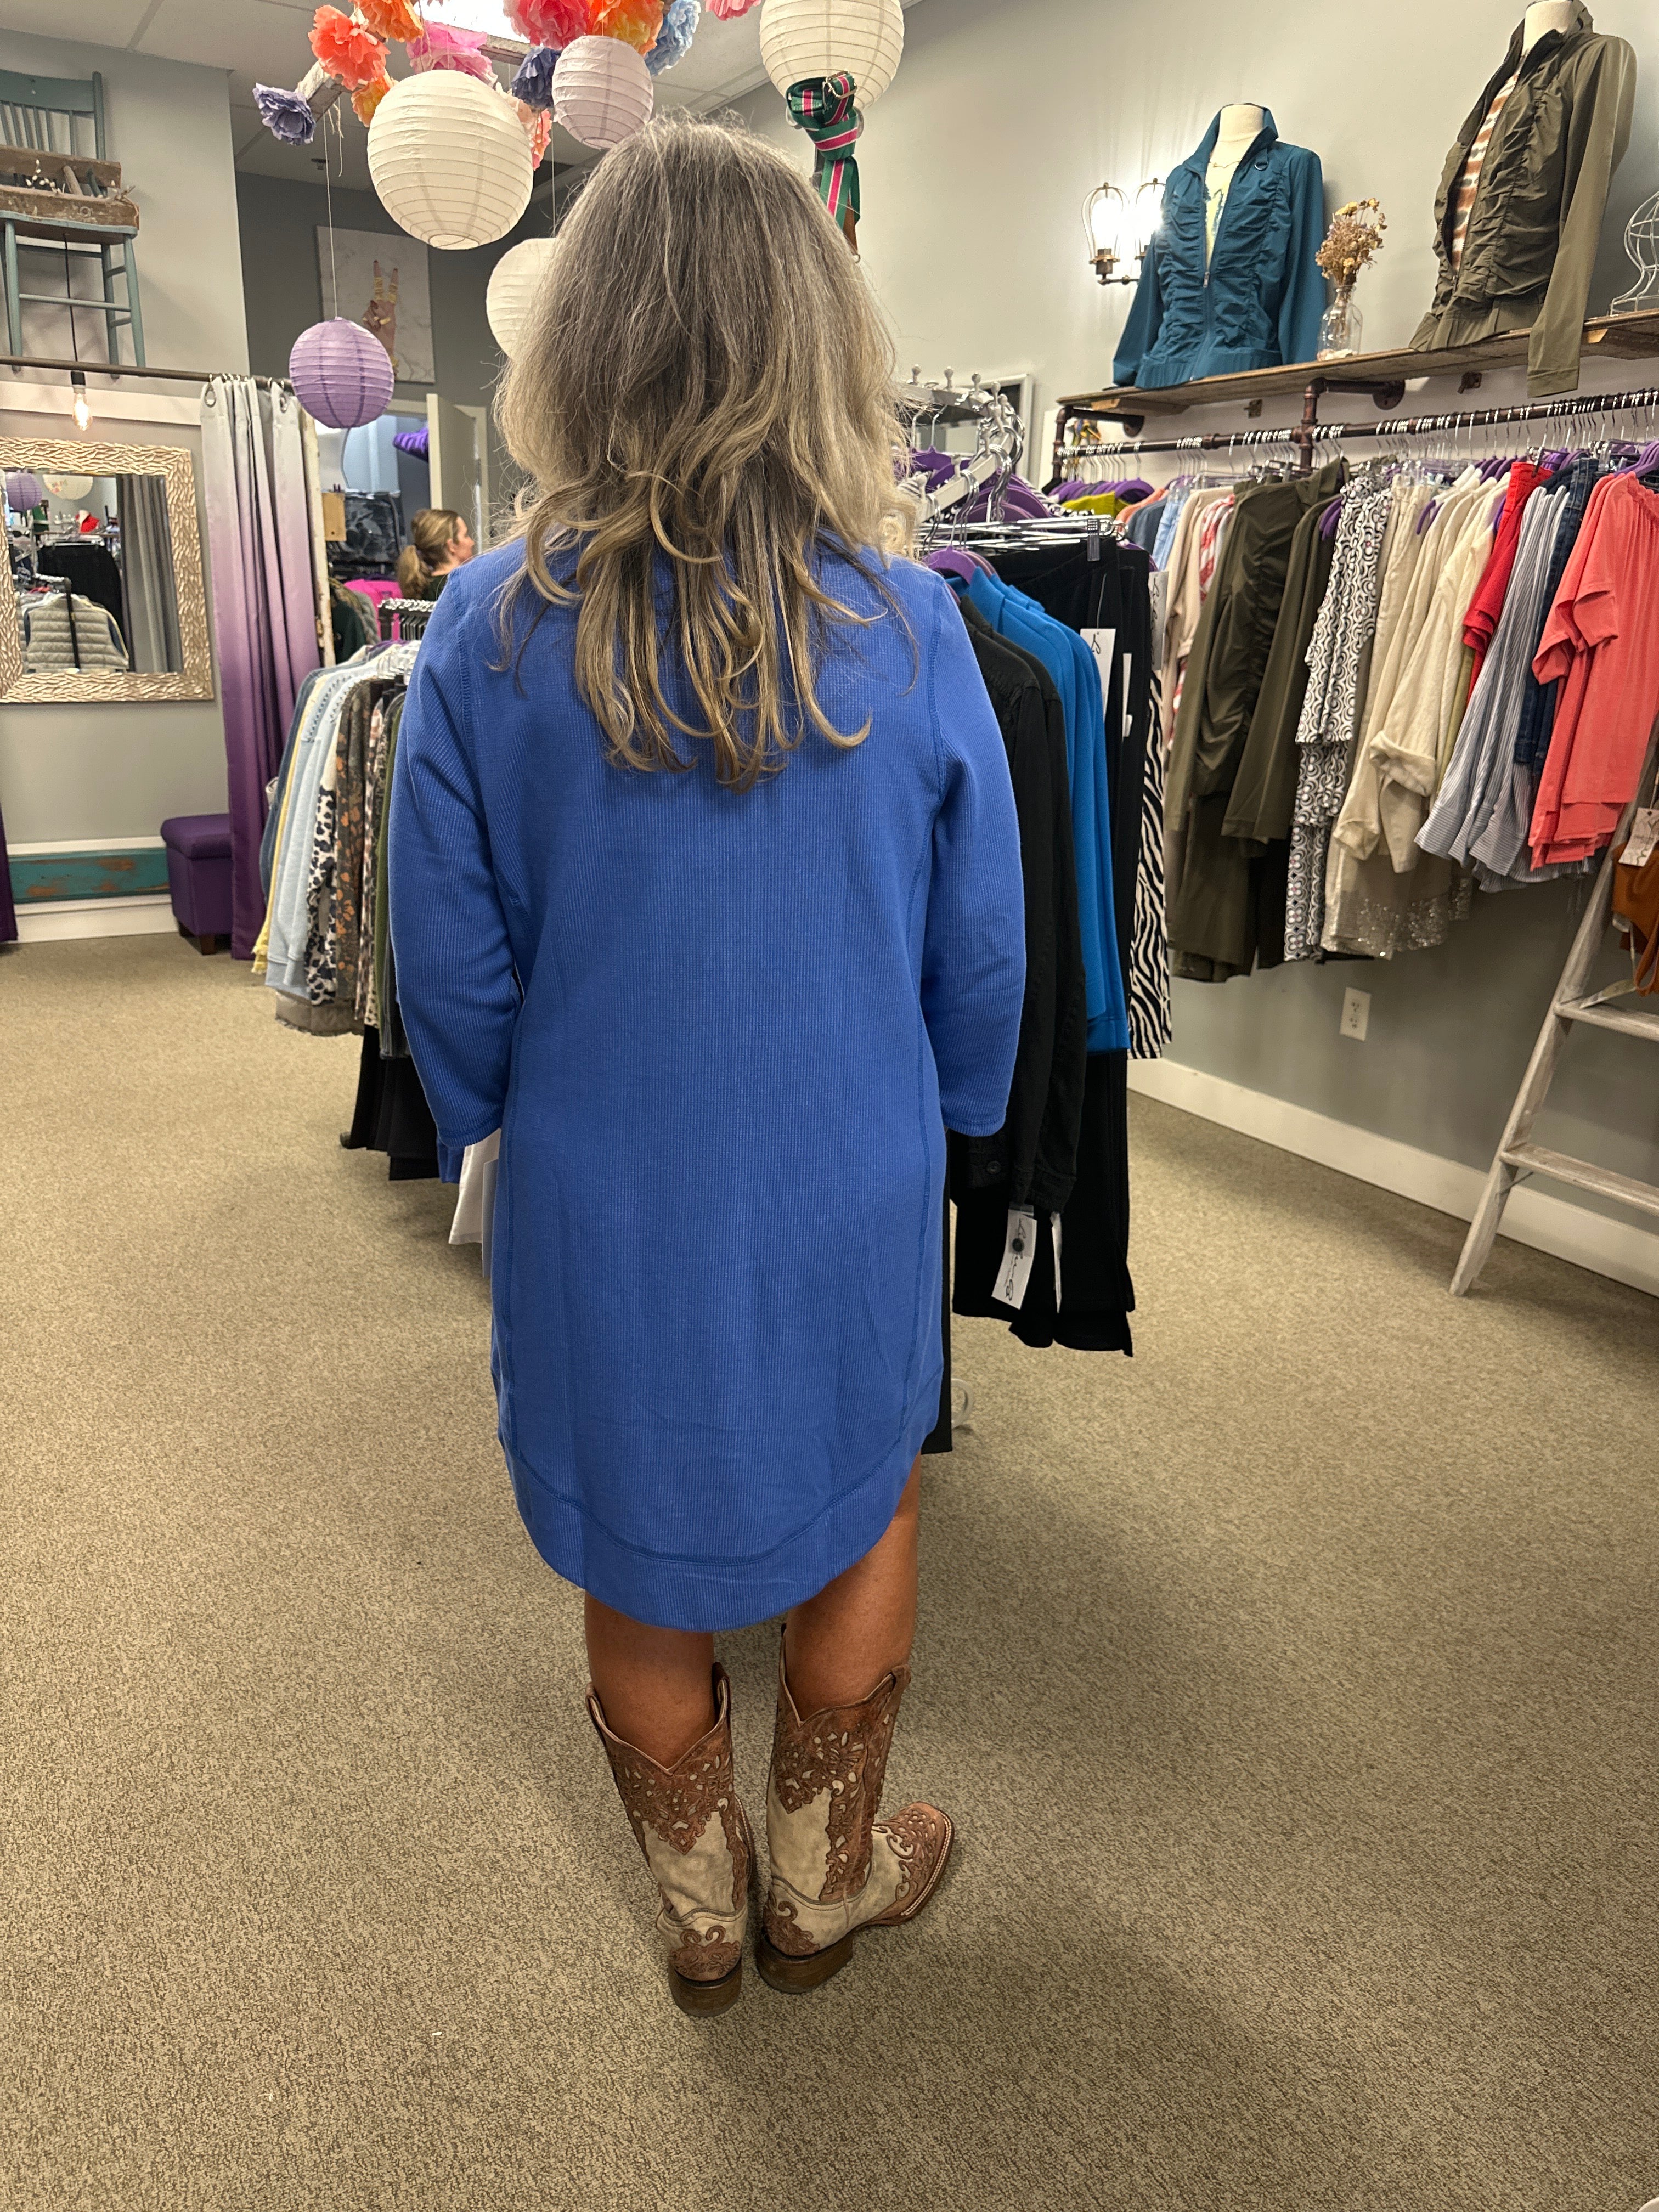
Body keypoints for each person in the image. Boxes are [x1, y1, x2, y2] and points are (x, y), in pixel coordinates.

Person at [388, 115, 1024, 2017]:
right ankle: (825, 1889)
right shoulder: (908, 624)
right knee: (865, 1503)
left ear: (579, 349)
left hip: (602, 1180)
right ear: (819, 345)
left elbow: (453, 970)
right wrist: (969, 1116)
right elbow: (975, 948)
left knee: (633, 1539)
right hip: (839, 1171)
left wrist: (517, 1110)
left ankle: (697, 1904)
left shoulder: (482, 629)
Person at [396, 506, 474, 600]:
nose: (472, 542)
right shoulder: (462, 587)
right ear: (451, 545)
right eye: (465, 536)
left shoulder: (421, 587)